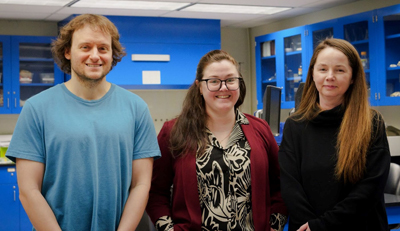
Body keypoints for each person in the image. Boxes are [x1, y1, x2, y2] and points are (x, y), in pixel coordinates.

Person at [6, 14, 161, 231]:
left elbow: (141, 185)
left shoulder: (136, 108)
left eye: (103, 48)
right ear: (68, 51)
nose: (95, 56)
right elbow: (29, 190)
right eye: (85, 47)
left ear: (112, 53)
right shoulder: (37, 108)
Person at [146, 50, 287, 231]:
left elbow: (281, 185)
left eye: (230, 80)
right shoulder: (173, 131)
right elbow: (155, 191)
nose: (223, 87)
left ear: (239, 84)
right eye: (213, 81)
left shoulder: (260, 129)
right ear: (199, 86)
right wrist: (168, 228)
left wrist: (275, 225)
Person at [278, 38, 391, 231]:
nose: (330, 76)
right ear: (312, 74)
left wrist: (323, 226)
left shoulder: (371, 123)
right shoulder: (295, 125)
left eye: (339, 70)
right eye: (322, 69)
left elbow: (370, 189)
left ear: (353, 76)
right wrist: (311, 226)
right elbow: (289, 184)